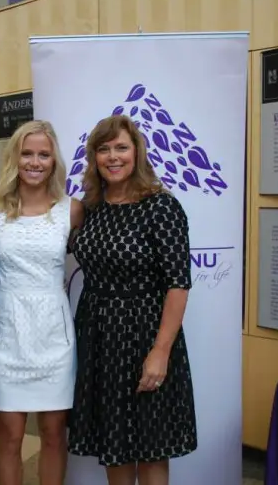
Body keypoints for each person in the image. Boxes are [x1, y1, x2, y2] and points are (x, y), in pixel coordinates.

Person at [67, 114, 198, 485]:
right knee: (115, 442)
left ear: (136, 152)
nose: (113, 156)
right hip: (98, 335)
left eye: (121, 147)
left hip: (145, 333)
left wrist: (161, 351)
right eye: (103, 149)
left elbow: (178, 283)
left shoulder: (161, 207)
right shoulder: (90, 207)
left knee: (152, 443)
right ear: (93, 157)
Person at [0, 120, 84, 485]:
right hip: (8, 333)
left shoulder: (72, 211)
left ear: (54, 160)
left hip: (54, 333)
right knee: (9, 434)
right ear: (14, 158)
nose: (35, 161)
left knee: (55, 434)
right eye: (27, 153)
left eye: (43, 154)